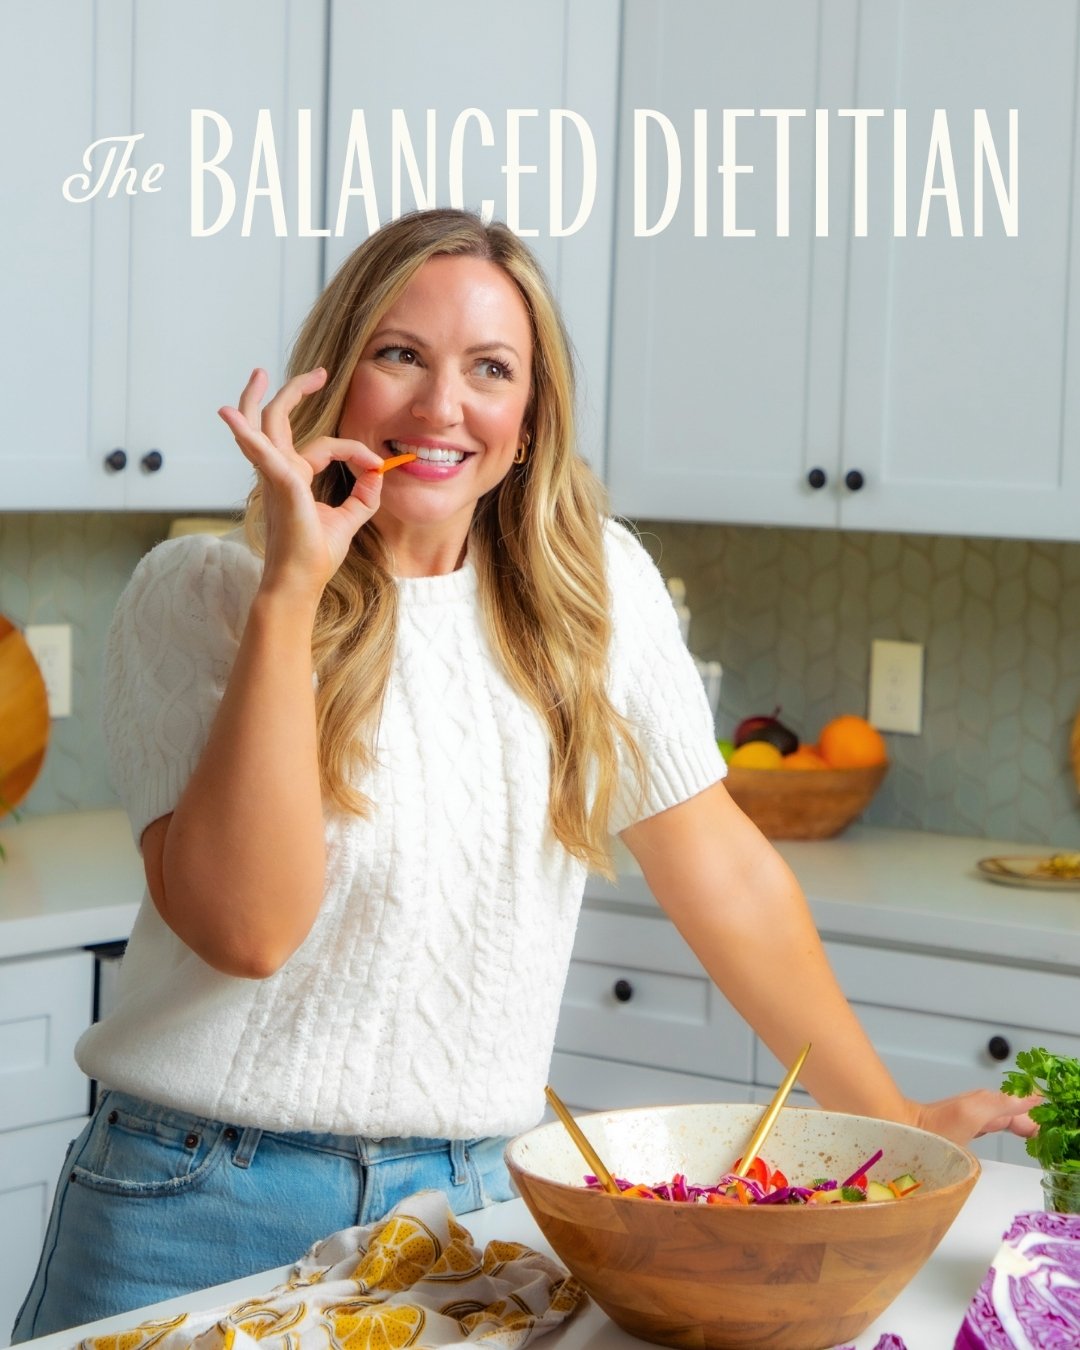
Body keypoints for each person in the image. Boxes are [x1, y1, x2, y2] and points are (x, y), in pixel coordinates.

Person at [11, 208, 1037, 1341]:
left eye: (489, 369)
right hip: (197, 1201)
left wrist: (888, 1125)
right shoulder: (203, 593)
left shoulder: (589, 595)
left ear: (531, 413)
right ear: (337, 374)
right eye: (401, 355)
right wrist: (293, 589)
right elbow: (249, 930)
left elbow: (727, 880)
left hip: (471, 1217)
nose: (442, 407)